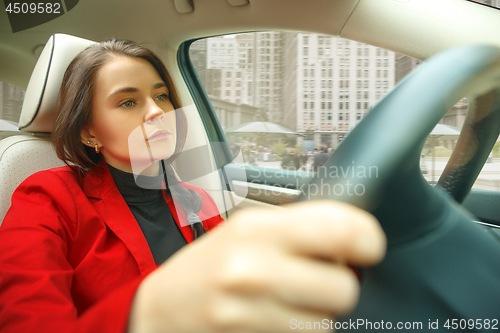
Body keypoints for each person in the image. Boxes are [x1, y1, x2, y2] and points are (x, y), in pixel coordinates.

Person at [0, 40, 386, 333]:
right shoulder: (48, 198)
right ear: (89, 132)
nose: (157, 112)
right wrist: (150, 312)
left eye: (162, 95)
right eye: (128, 103)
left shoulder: (195, 198)